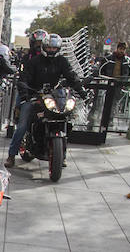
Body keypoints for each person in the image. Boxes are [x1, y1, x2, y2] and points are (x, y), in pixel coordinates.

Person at [6, 33, 84, 168]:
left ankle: (62, 155)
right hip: (35, 94)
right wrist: (25, 93)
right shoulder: (34, 61)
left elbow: (71, 76)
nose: (51, 50)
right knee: (23, 125)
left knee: (65, 118)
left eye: (54, 48)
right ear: (44, 47)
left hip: (54, 95)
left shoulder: (62, 61)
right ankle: (11, 155)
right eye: (49, 47)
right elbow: (24, 78)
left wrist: (81, 91)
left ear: (58, 48)